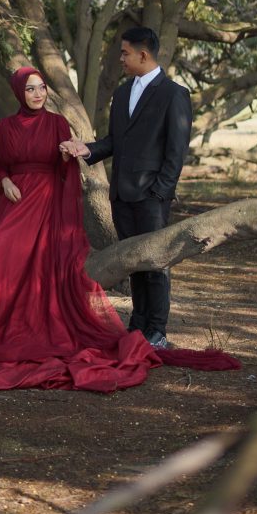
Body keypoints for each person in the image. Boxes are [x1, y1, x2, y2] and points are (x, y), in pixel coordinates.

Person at [0, 67, 238, 395]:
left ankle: (146, 327)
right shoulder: (5, 127)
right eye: (30, 89)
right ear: (19, 92)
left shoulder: (57, 123)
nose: (38, 94)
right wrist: (4, 180)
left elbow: (66, 168)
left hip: (48, 201)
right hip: (17, 200)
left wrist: (69, 155)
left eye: (42, 88)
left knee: (55, 256)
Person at [60, 27, 191, 349]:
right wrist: (87, 150)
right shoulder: (121, 93)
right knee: (134, 263)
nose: (120, 58)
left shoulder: (174, 94)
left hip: (151, 198)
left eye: (124, 53)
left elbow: (176, 152)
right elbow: (115, 141)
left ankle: (157, 330)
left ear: (142, 55)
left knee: (155, 264)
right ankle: (139, 325)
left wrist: (159, 194)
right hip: (120, 195)